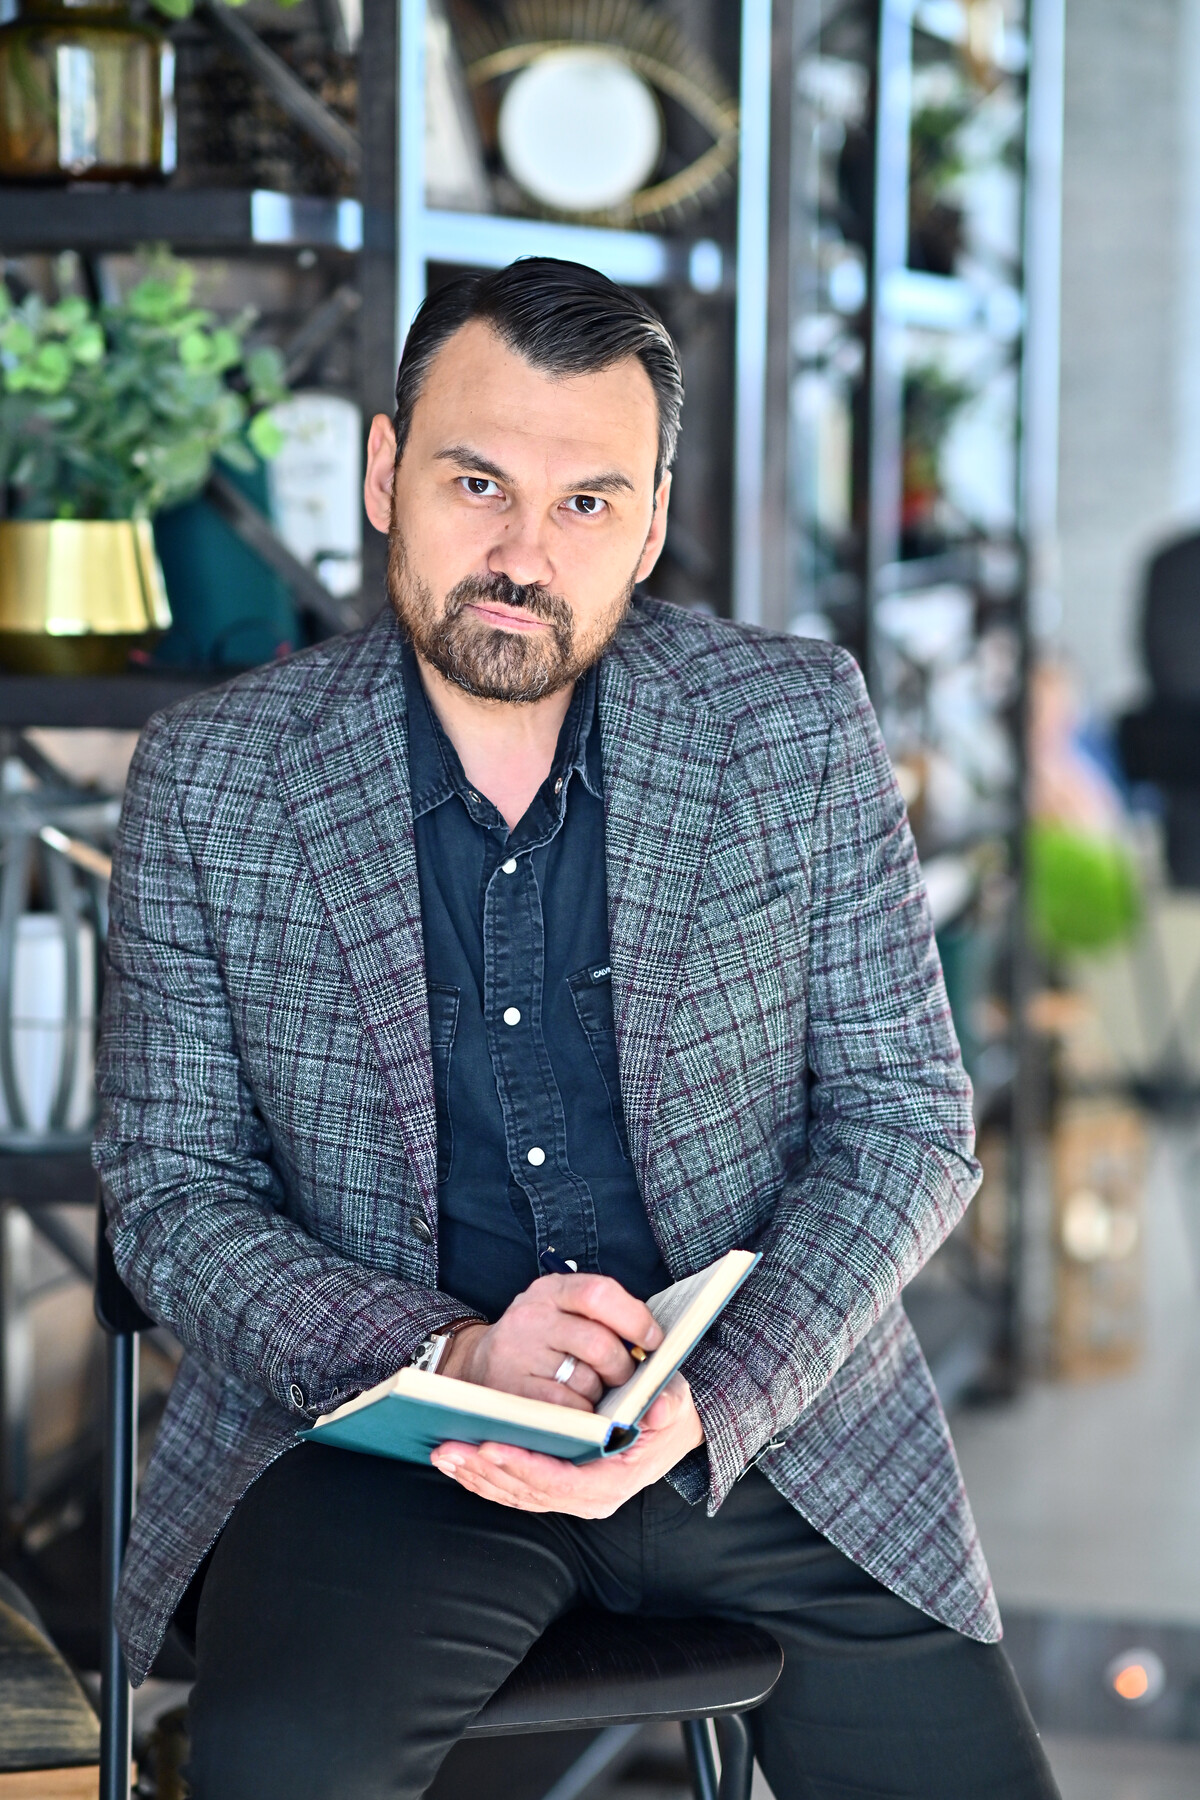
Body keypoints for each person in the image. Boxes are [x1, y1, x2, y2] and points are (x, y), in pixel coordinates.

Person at [93, 257, 1059, 1799]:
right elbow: (170, 1196)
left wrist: (713, 1398)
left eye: (587, 502)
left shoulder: (791, 725)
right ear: (384, 472)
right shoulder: (215, 779)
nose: (522, 555)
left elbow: (906, 1118)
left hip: (764, 1423)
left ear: (652, 525)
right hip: (378, 1448)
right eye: (476, 481)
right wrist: (454, 1351)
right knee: (276, 1768)